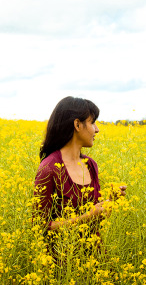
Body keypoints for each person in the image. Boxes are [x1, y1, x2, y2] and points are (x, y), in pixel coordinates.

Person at [33, 96, 127, 233]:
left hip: (95, 251)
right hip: (62, 254)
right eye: (93, 122)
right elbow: (39, 227)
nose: (97, 129)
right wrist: (86, 217)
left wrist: (110, 202)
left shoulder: (90, 164)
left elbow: (95, 216)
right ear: (77, 125)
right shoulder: (49, 168)